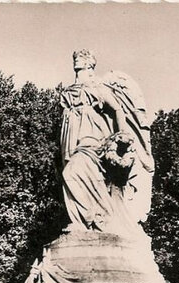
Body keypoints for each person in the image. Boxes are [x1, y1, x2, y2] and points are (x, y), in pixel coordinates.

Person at [59, 49, 154, 235]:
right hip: (71, 143)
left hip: (91, 140)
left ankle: (95, 218)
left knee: (72, 173)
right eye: (76, 58)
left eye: (82, 59)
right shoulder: (69, 92)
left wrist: (123, 135)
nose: (77, 61)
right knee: (71, 175)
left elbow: (118, 109)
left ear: (90, 64)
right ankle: (84, 223)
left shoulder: (96, 87)